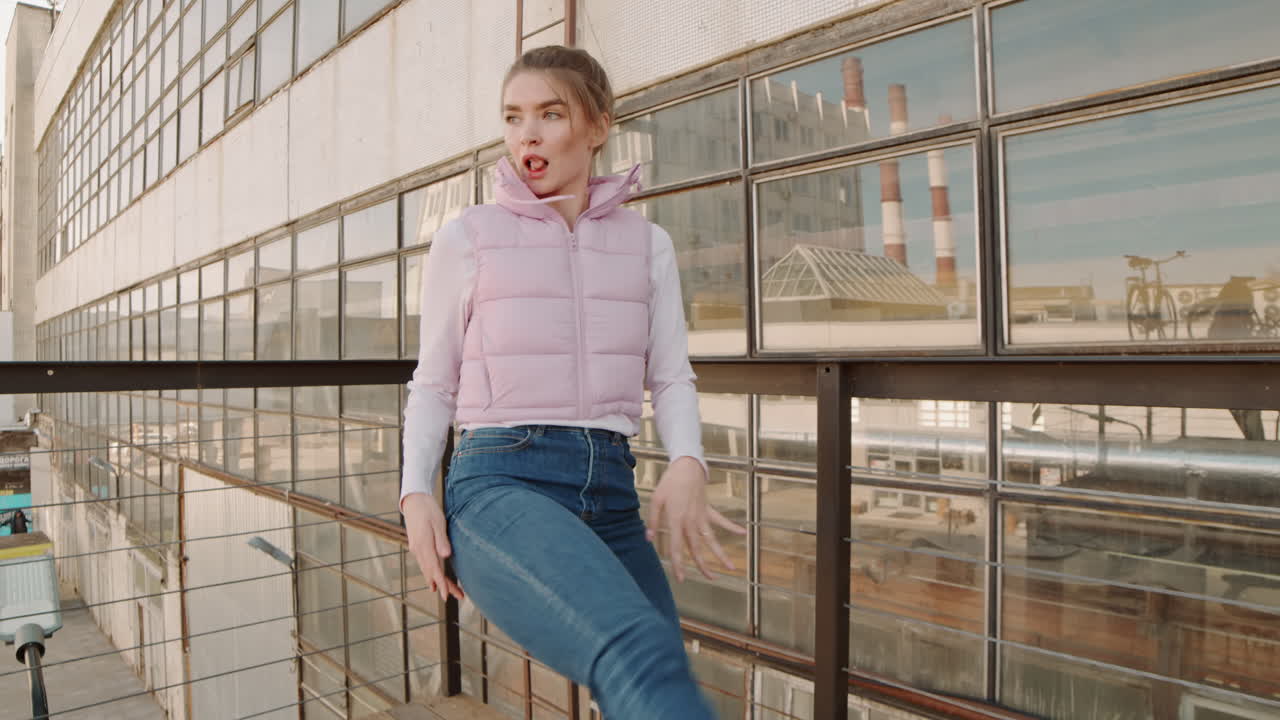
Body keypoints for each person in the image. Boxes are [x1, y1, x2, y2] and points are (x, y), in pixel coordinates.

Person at [399, 45, 745, 719]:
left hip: (611, 488)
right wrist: (415, 493)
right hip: (503, 481)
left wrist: (688, 461)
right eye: (513, 117)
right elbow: (434, 382)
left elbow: (671, 375)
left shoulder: (649, 245)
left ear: (598, 125)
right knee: (639, 654)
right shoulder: (469, 236)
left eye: (550, 114)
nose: (526, 133)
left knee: (656, 669)